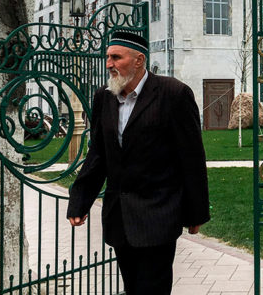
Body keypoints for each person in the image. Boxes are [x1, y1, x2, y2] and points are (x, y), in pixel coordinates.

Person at [67, 30, 210, 294]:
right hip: (119, 217)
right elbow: (99, 154)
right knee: (132, 287)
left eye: (116, 57)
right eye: (108, 57)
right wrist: (80, 200)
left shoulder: (173, 94)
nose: (109, 63)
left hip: (159, 215)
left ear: (138, 60)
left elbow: (191, 158)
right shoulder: (104, 98)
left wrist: (196, 213)